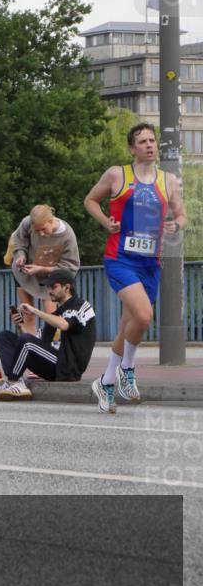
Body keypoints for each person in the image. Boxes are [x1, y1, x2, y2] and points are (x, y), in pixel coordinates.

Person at [84, 122, 188, 413]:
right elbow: (90, 200)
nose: (149, 145)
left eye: (152, 140)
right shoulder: (117, 175)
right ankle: (127, 369)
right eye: (142, 142)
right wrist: (105, 222)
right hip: (120, 259)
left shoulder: (168, 180)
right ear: (132, 148)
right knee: (143, 315)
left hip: (150, 263)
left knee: (129, 325)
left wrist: (175, 225)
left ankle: (106, 382)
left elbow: (182, 215)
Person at [0, 269, 96, 401]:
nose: (49, 291)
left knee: (26, 341)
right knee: (5, 337)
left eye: (53, 286)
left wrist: (35, 311)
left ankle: (13, 382)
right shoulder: (58, 313)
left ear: (67, 287)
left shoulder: (81, 306)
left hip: (68, 368)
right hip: (53, 362)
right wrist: (20, 326)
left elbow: (64, 325)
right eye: (48, 287)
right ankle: (14, 382)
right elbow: (38, 343)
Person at [9, 204, 80, 335]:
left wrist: (42, 269)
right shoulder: (27, 222)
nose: (41, 234)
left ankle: (52, 344)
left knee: (51, 315)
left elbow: (70, 267)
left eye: (43, 229)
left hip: (49, 276)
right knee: (27, 312)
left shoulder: (67, 236)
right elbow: (18, 241)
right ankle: (30, 342)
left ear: (51, 221)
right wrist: (21, 255)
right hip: (24, 273)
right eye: (37, 231)